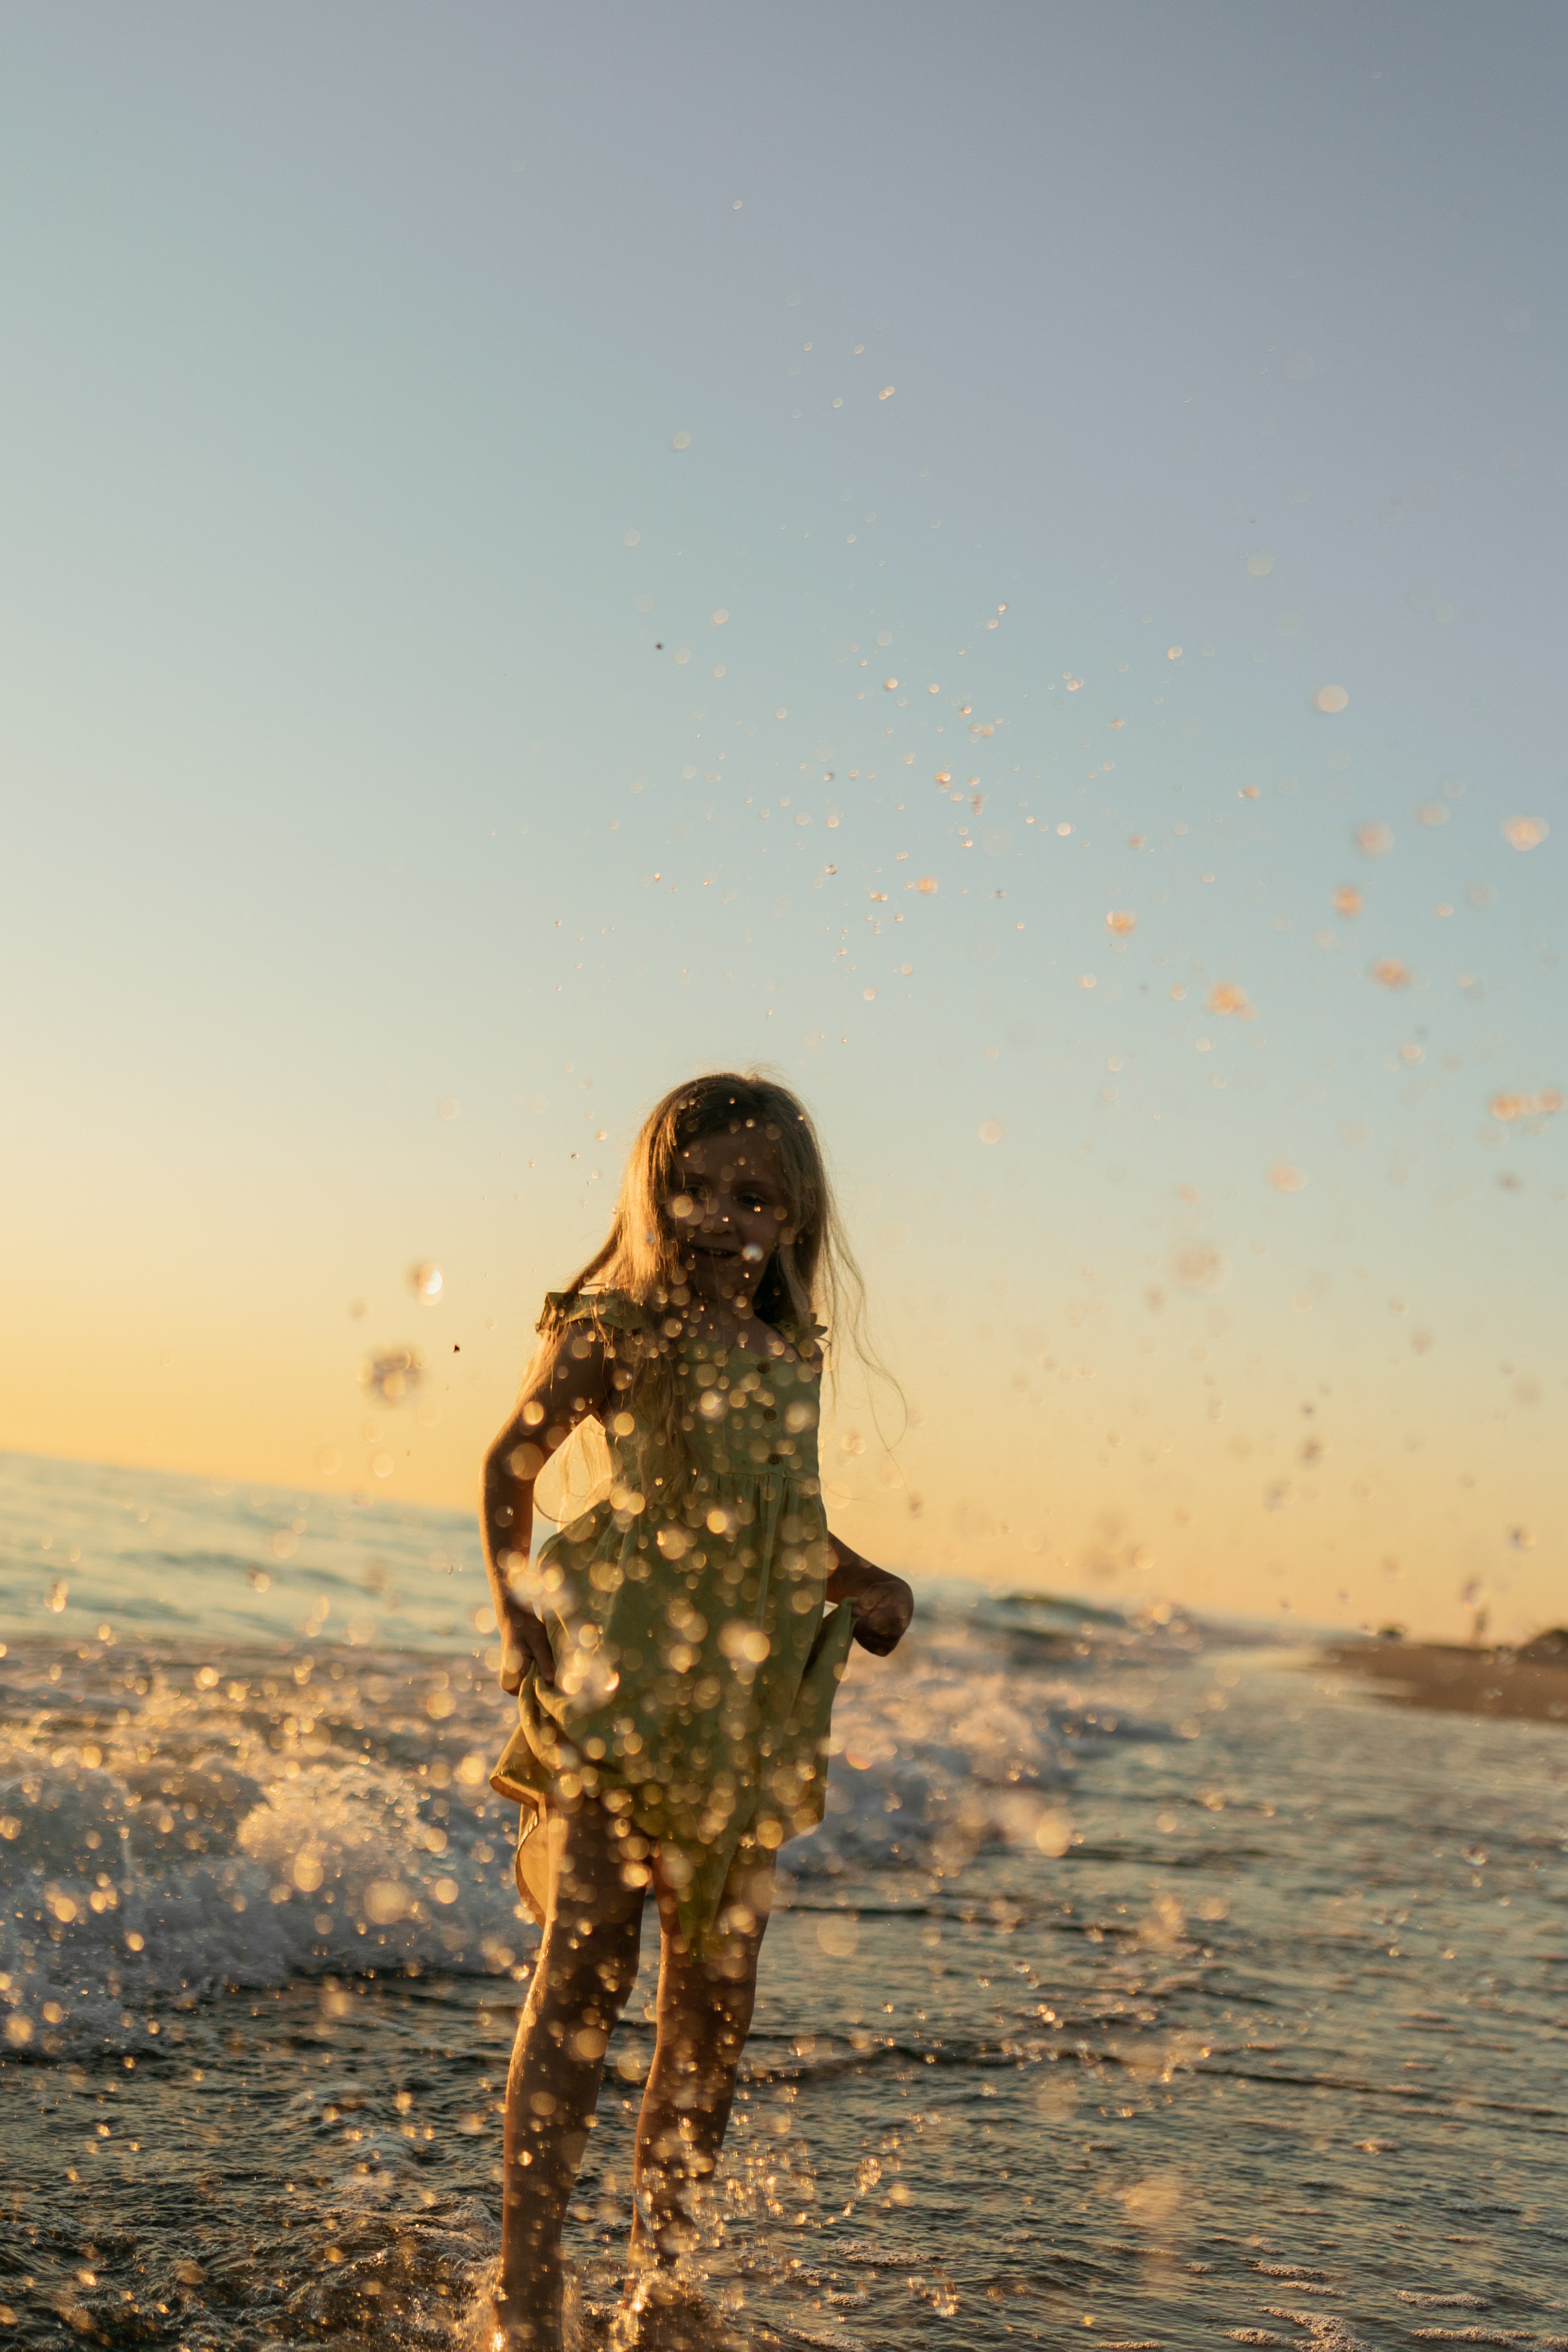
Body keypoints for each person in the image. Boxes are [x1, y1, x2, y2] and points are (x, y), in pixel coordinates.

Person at [478, 1071, 913, 2351]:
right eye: (696, 1190)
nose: (722, 1217)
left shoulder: (789, 1360)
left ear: (794, 1219)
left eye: (754, 1198)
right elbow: (510, 1462)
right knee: (586, 1969)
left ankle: (658, 2280)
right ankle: (526, 2280)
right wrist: (513, 1611)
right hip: (617, 1694)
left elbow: (780, 1526)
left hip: (738, 1724)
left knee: (713, 2006)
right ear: (650, 1196)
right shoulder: (623, 1329)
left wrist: (864, 1582)